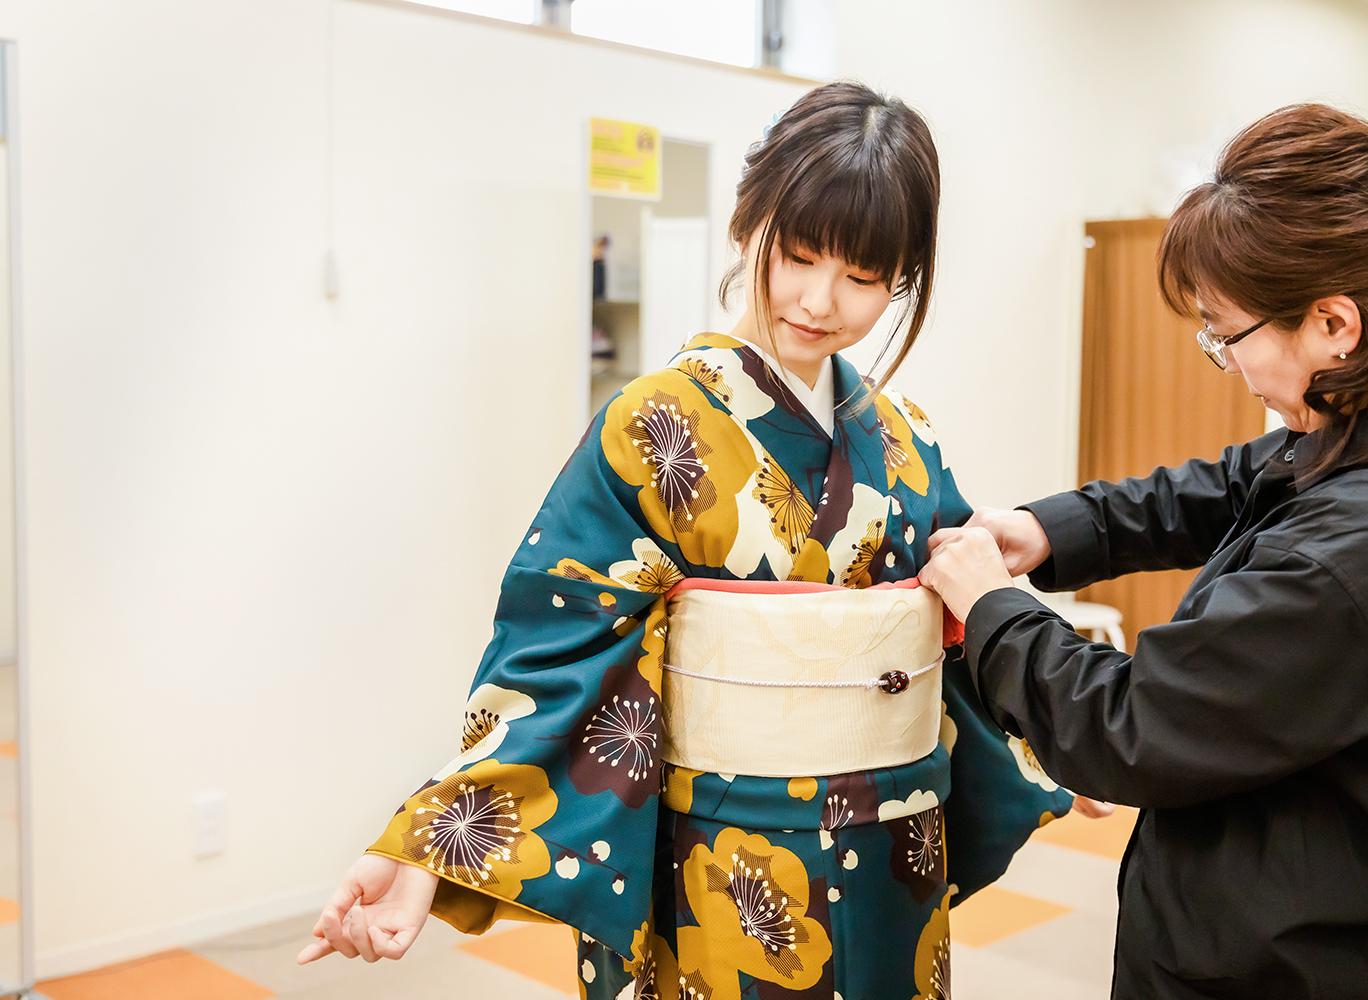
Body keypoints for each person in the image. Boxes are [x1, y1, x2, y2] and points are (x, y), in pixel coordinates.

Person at [298, 81, 1079, 998]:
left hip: (893, 848)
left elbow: (965, 614)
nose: (820, 301)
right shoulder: (652, 425)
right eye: (796, 255)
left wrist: (1055, 728)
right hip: (720, 858)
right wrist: (431, 849)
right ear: (747, 225)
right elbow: (559, 648)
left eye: (864, 278)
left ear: (902, 279)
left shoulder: (907, 436)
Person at [919, 103, 1368, 1000]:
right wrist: (1059, 527)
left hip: (1279, 963)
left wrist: (992, 610)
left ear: (1335, 325)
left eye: (1226, 333)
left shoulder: (1358, 560)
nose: (1229, 363)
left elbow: (1128, 727)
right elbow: (1241, 481)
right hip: (1331, 900)